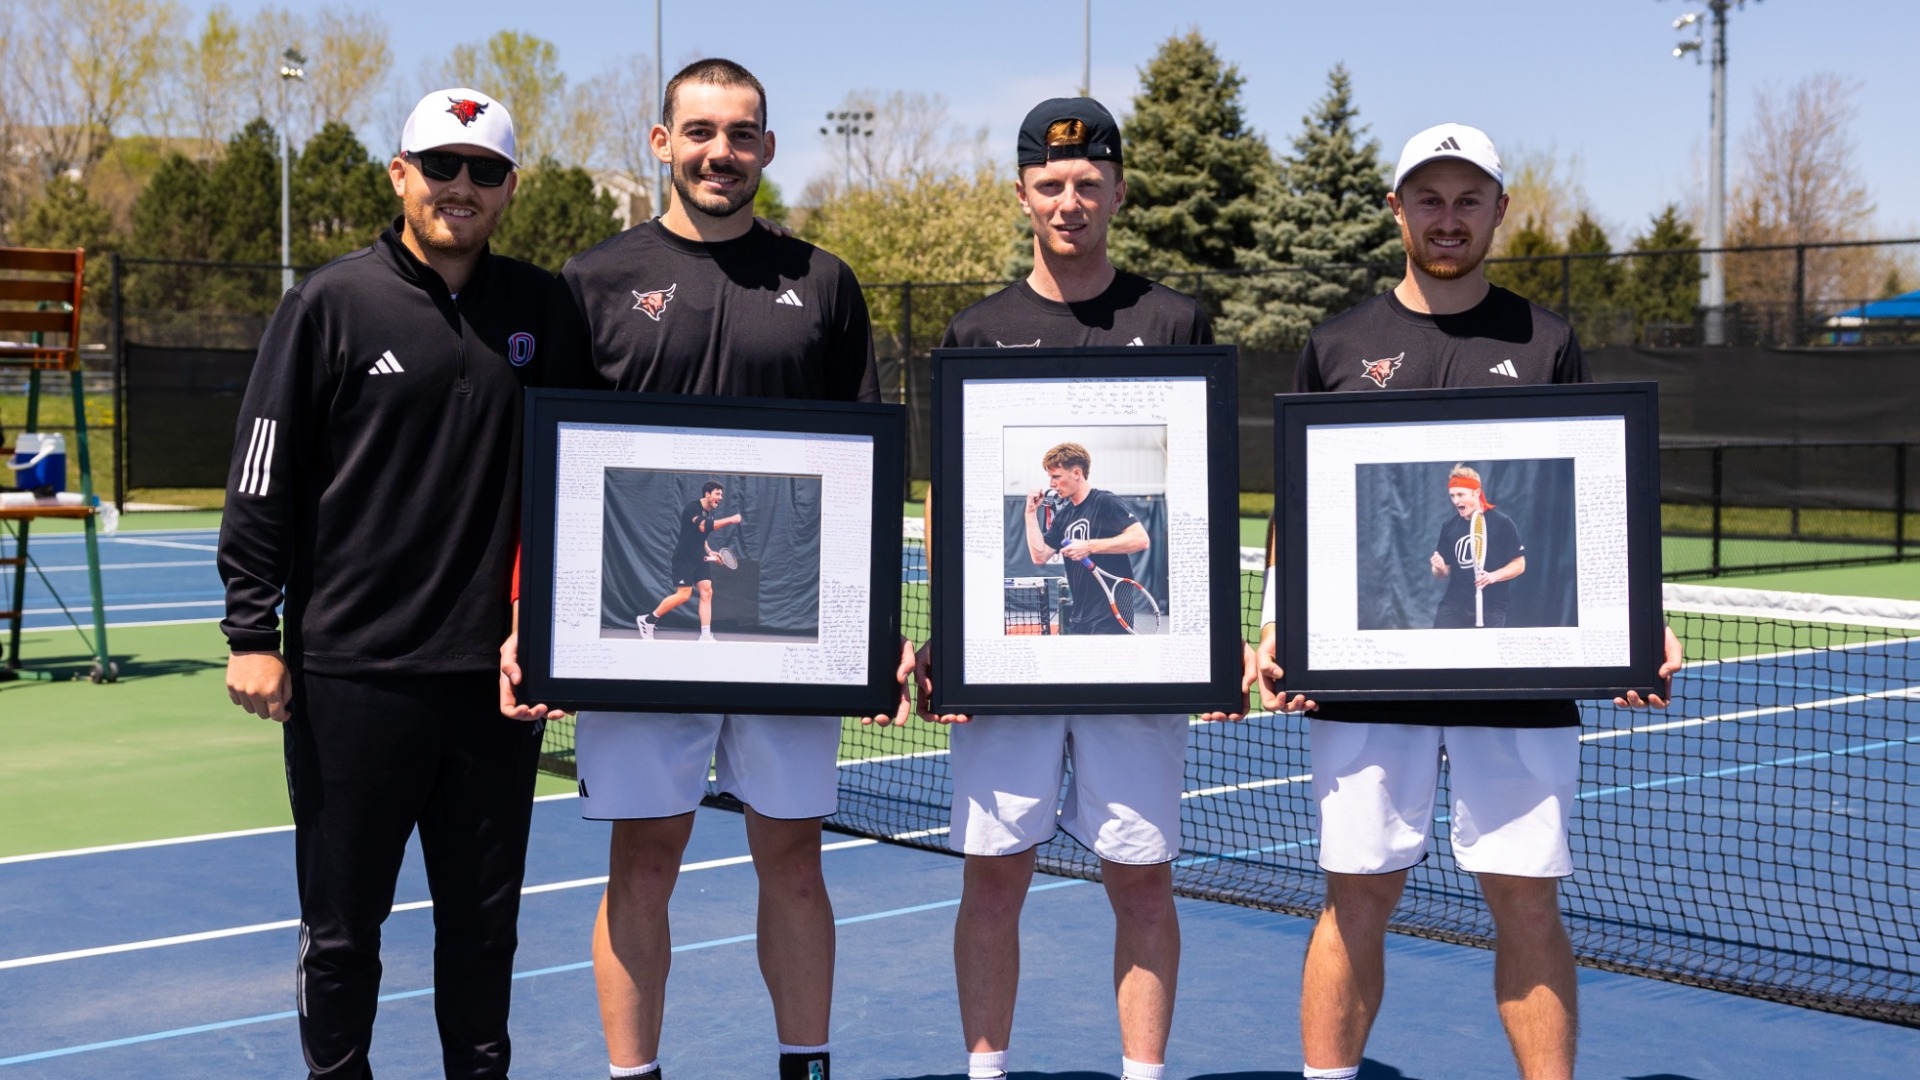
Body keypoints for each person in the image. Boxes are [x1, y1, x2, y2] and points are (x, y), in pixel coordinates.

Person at [497, 58, 910, 1080]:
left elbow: (865, 474)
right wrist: (528, 621)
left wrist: (878, 625)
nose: (720, 152)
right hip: (632, 628)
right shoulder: (590, 283)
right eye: (700, 132)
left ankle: (803, 1067)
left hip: (790, 630)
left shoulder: (824, 283)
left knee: (795, 862)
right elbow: (545, 474)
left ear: (767, 147)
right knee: (642, 861)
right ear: (660, 143)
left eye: (741, 134)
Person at [1254, 122, 1683, 1080]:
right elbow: (1299, 501)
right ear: (1398, 208)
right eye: (1431, 199)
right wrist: (1275, 622)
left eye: (1468, 200)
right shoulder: (1337, 345)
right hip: (1366, 680)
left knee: (1526, 899)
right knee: (1355, 898)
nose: (1449, 219)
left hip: (1519, 682)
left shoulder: (1548, 339)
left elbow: (1591, 501)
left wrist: (1636, 619)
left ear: (1498, 210)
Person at [917, 97, 1251, 1080]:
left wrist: (1215, 635)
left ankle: (1141, 1074)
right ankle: (987, 1072)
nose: (1071, 202)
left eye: (1090, 184)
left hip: (1138, 668)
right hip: (1007, 663)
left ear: (1119, 191)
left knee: (1143, 883)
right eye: (1052, 185)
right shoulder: (977, 332)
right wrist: (949, 633)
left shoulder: (1173, 319)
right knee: (992, 880)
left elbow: (1198, 498)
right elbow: (952, 501)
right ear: (1022, 192)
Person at [219, 88, 549, 1079]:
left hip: (494, 684)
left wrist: (553, 625)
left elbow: (585, 473)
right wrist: (252, 631)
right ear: (399, 174)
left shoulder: (544, 311)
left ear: (509, 189)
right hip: (352, 679)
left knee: (485, 935)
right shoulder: (329, 302)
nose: (461, 187)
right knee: (342, 932)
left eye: (483, 171)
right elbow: (262, 472)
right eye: (440, 166)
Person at [1024, 442, 1150, 634]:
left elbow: (1141, 540)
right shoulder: (1064, 516)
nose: (1051, 484)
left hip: (1111, 615)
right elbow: (1039, 556)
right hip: (1079, 617)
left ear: (1076, 473)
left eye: (1056, 477)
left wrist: (1089, 546)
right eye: (1050, 478)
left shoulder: (1105, 501)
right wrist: (1030, 513)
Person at [638, 480, 742, 641]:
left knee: (707, 591)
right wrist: (730, 520)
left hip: (700, 557)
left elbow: (701, 537)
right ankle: (648, 620)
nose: (720, 497)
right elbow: (703, 527)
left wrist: (710, 552)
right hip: (684, 558)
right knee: (684, 595)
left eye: (722, 494)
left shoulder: (710, 512)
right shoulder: (692, 508)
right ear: (707, 494)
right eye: (717, 494)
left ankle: (706, 635)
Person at [1429, 464, 1524, 628]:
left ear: (1477, 493)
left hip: (1491, 609)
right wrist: (1439, 568)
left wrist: (1493, 576)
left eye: (1460, 494)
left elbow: (1519, 564)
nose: (1456, 500)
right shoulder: (1449, 527)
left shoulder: (1502, 523)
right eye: (1452, 496)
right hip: (1453, 607)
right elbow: (1443, 573)